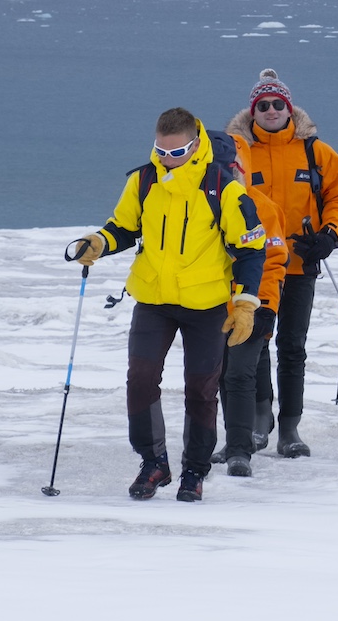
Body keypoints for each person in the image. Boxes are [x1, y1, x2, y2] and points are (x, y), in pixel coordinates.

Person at [66, 108, 270, 503]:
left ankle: (194, 470)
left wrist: (245, 303)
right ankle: (153, 462)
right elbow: (124, 227)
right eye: (160, 150)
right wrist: (99, 243)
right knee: (140, 381)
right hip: (153, 298)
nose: (166, 159)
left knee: (201, 389)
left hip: (207, 303)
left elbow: (251, 249)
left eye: (175, 153)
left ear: (195, 145)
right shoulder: (144, 180)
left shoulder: (224, 188)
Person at [222, 69, 338, 460]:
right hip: (253, 265)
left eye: (277, 104)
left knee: (292, 346)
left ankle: (290, 428)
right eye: (262, 105)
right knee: (255, 340)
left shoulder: (316, 152)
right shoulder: (236, 149)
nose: (270, 110)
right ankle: (258, 419)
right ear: (253, 111)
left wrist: (329, 236)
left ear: (289, 108)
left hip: (300, 264)